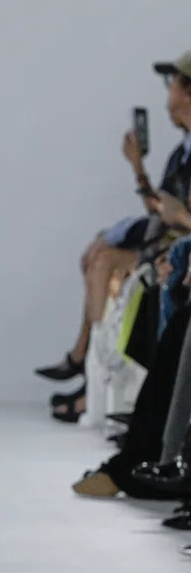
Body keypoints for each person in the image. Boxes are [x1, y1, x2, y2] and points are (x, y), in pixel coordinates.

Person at [38, 52, 191, 419]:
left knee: (105, 261)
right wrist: (138, 167)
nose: (167, 94)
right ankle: (88, 368)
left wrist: (180, 216)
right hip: (170, 243)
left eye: (171, 83)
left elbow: (175, 214)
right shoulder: (180, 154)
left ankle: (90, 373)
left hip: (177, 249)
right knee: (96, 255)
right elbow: (160, 207)